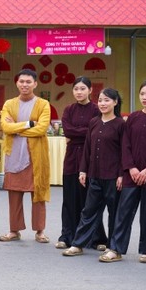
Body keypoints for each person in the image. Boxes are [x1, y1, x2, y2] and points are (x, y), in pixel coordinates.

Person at [101, 80, 146, 263]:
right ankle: (115, 249)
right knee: (123, 212)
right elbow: (126, 145)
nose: (145, 97)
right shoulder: (132, 118)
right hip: (131, 174)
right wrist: (131, 168)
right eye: (142, 94)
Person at [62, 88, 124, 257]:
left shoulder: (121, 124)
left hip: (112, 176)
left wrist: (121, 174)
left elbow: (124, 152)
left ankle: (114, 248)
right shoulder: (94, 122)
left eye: (107, 100)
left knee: (114, 213)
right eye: (101, 100)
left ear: (115, 102)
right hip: (94, 175)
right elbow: (87, 148)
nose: (103, 104)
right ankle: (78, 244)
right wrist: (83, 170)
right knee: (88, 210)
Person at [0, 69, 51, 243]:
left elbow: (42, 128)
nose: (25, 85)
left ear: (35, 84)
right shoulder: (9, 104)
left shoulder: (43, 104)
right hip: (14, 155)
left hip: (35, 156)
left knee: (38, 193)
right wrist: (28, 124)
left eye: (28, 82)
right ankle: (14, 230)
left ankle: (40, 231)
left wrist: (17, 128)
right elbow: (6, 128)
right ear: (17, 83)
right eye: (22, 81)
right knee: (14, 194)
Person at [56, 76, 104, 250]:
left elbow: (96, 130)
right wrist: (85, 131)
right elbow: (67, 129)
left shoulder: (97, 109)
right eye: (76, 89)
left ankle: (97, 238)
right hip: (71, 159)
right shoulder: (68, 109)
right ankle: (66, 235)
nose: (79, 92)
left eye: (83, 89)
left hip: (91, 157)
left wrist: (78, 133)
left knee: (90, 200)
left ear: (90, 90)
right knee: (69, 199)